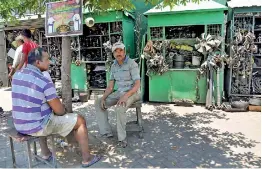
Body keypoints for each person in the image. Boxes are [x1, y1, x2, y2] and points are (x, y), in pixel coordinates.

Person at [11, 47, 101, 167]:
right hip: (36, 126)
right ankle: (87, 159)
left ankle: (46, 153)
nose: (50, 62)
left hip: (19, 124)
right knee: (80, 121)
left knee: (41, 114)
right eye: (47, 59)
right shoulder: (43, 81)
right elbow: (59, 111)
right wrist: (62, 108)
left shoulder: (17, 76)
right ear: (38, 62)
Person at [95, 42, 141, 148]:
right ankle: (106, 132)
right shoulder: (113, 66)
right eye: (116, 51)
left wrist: (125, 96)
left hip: (133, 93)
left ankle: (122, 139)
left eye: (120, 50)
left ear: (124, 52)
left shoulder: (132, 64)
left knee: (120, 107)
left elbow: (137, 85)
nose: (118, 53)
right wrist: (103, 98)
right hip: (119, 92)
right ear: (113, 53)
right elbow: (110, 87)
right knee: (98, 102)